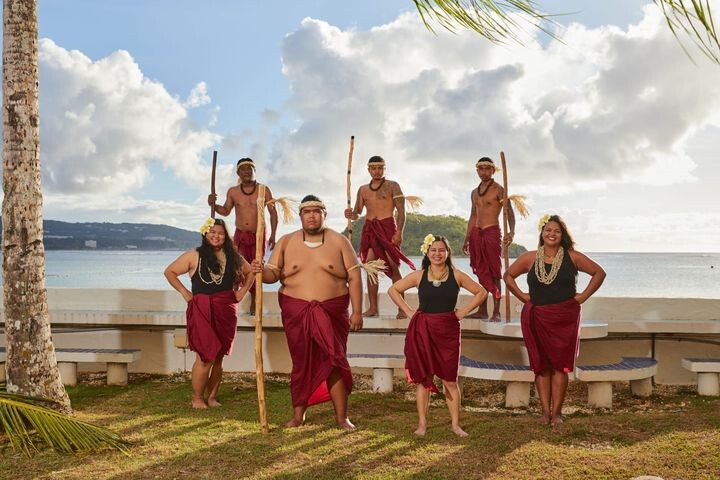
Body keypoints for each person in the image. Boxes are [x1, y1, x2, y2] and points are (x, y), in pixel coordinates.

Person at [261, 195, 363, 430]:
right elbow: (271, 276)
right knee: (301, 363)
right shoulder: (286, 242)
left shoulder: (339, 242)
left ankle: (341, 417)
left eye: (317, 211)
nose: (312, 215)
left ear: (324, 215)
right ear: (301, 217)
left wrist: (357, 311)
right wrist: (256, 269)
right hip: (297, 313)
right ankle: (298, 416)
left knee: (335, 361)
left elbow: (355, 277)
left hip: (332, 312)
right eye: (307, 212)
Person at [504, 214, 605, 426]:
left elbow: (598, 273)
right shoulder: (530, 257)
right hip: (537, 317)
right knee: (542, 366)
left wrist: (583, 297)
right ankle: (544, 413)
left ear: (562, 235)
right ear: (542, 233)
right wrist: (522, 296)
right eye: (548, 230)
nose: (552, 234)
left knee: (560, 366)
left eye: (556, 231)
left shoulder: (572, 257)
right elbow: (508, 276)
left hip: (564, 318)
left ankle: (557, 413)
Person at [388, 234, 487, 437]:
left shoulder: (456, 275)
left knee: (450, 380)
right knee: (424, 378)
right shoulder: (419, 275)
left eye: (441, 250)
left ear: (448, 253)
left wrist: (462, 312)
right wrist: (409, 312)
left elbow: (481, 292)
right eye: (433, 250)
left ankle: (456, 425)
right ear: (427, 252)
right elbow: (393, 290)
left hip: (448, 330)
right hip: (423, 329)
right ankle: (422, 424)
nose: (437, 253)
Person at [164, 218, 261, 409]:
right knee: (204, 356)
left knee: (218, 357)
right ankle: (197, 398)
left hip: (226, 309)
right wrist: (186, 293)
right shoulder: (194, 255)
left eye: (221, 233)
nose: (216, 236)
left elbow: (251, 272)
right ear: (205, 234)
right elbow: (170, 272)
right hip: (201, 308)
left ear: (226, 236)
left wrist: (241, 293)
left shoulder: (234, 257)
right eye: (212, 232)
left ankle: (212, 397)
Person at [345, 155, 416, 319]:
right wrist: (350, 214)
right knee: (370, 267)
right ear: (368, 170)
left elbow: (401, 211)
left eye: (380, 168)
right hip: (370, 229)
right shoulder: (363, 189)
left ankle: (402, 309)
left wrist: (399, 232)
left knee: (394, 266)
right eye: (373, 168)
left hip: (388, 228)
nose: (377, 171)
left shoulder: (393, 186)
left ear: (384, 169)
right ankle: (372, 308)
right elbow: (357, 213)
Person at [208, 157, 278, 313]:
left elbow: (273, 213)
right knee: (236, 267)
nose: (246, 171)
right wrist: (213, 204)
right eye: (243, 169)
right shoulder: (233, 191)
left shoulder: (263, 189)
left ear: (254, 171)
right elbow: (225, 211)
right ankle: (231, 300)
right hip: (240, 234)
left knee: (256, 267)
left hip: (258, 234)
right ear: (238, 172)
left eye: (249, 168)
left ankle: (255, 301)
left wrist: (273, 235)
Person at [463, 157, 516, 321]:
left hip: (491, 232)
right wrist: (467, 238)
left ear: (493, 171)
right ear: (477, 171)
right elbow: (473, 215)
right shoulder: (474, 192)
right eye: (481, 169)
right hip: (476, 234)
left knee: (494, 272)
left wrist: (512, 232)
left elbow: (509, 212)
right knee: (480, 272)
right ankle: (482, 310)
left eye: (487, 169)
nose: (484, 172)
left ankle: (496, 312)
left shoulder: (499, 190)